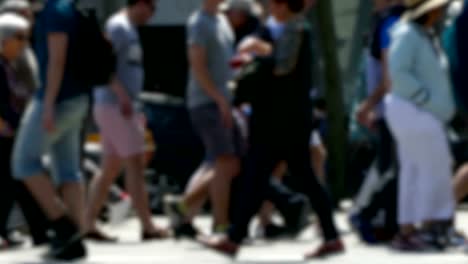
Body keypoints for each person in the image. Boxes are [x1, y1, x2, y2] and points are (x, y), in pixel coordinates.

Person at [199, 0, 344, 259]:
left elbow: (283, 65)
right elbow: (261, 44)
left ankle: (330, 236)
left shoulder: (298, 29)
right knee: (256, 175)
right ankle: (234, 238)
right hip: (269, 119)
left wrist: (260, 50)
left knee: (303, 178)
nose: (272, 6)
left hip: (289, 120)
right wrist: (251, 49)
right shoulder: (272, 27)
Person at [11, 0, 91, 260]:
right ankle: (76, 238)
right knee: (68, 170)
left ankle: (64, 227)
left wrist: (47, 104)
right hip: (77, 98)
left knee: (23, 164)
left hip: (56, 99)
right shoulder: (65, 7)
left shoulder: (55, 11)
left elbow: (57, 60)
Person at [85, 0, 169, 243]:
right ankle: (147, 225)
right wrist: (122, 95)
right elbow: (103, 62)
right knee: (135, 162)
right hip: (116, 104)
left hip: (118, 105)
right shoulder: (118, 27)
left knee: (111, 167)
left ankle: (88, 222)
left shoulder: (128, 28)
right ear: (140, 4)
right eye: (151, 9)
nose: (151, 16)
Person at [385, 0, 456, 251]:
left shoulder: (420, 34)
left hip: (415, 110)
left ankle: (409, 230)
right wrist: (426, 100)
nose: (441, 10)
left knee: (415, 171)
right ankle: (432, 227)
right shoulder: (409, 35)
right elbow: (399, 72)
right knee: (433, 169)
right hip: (416, 110)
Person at [177, 0, 239, 235]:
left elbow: (227, 61)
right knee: (225, 161)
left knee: (216, 162)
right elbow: (197, 65)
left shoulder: (222, 20)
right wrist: (219, 98)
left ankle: (184, 214)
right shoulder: (198, 23)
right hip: (206, 102)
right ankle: (219, 221)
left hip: (224, 101)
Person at [350, 0, 404, 244]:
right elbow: (388, 74)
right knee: (394, 170)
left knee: (387, 167)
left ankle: (378, 219)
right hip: (393, 108)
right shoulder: (390, 23)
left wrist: (370, 105)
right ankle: (369, 215)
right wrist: (369, 105)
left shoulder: (384, 22)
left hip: (386, 107)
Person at [0, 0, 49, 249]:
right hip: (5, 131)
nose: (24, 42)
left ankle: (40, 231)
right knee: (14, 183)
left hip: (15, 130)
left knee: (18, 182)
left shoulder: (10, 62)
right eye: (19, 37)